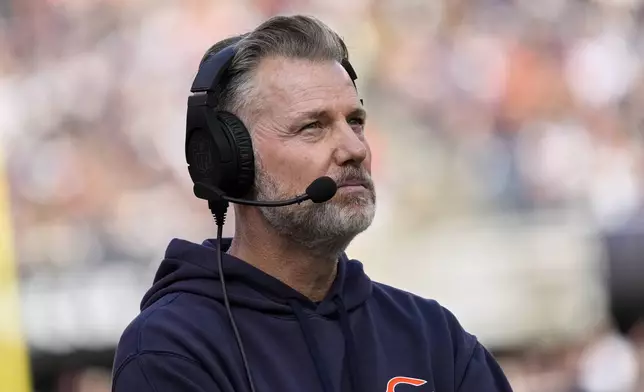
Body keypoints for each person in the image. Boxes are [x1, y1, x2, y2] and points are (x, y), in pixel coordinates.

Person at [111, 15, 514, 392]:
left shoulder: (435, 338)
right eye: (313, 127)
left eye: (355, 122)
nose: (354, 148)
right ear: (231, 159)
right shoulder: (172, 349)